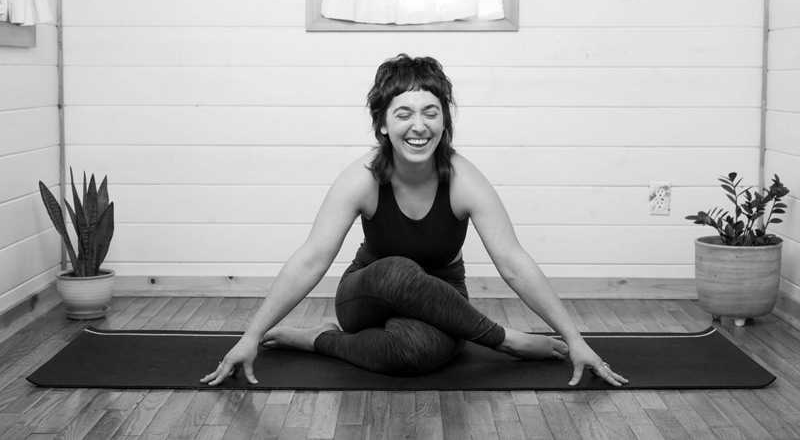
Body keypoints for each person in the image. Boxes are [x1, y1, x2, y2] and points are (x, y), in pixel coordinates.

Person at [201, 54, 628, 387]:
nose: (418, 125)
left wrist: (575, 340)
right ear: (383, 125)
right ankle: (505, 338)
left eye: (430, 112)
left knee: (412, 355)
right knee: (399, 270)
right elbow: (312, 259)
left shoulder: (463, 179)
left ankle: (318, 339)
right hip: (368, 295)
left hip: (444, 303)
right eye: (403, 113)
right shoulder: (363, 179)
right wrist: (253, 334)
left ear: (445, 120)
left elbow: (513, 262)